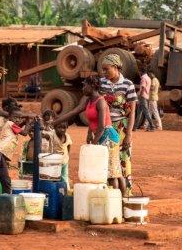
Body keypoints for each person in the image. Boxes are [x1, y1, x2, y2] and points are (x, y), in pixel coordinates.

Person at [54, 76, 124, 194]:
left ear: (92, 86)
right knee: (109, 170)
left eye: (84, 85)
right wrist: (54, 122)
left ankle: (118, 200)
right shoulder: (88, 100)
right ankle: (117, 200)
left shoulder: (100, 102)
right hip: (100, 135)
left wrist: (94, 145)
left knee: (112, 173)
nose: (82, 88)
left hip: (108, 137)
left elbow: (102, 126)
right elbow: (74, 112)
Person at [99, 53, 138, 192]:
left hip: (122, 127)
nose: (104, 72)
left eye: (106, 69)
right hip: (105, 127)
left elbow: (132, 111)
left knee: (124, 159)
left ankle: (126, 194)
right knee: (106, 160)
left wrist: (129, 135)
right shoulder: (102, 83)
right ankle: (109, 194)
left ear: (116, 67)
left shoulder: (128, 84)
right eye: (103, 69)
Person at [43, 119, 73, 188]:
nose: (62, 130)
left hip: (64, 161)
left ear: (67, 127)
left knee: (64, 177)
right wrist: (44, 127)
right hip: (54, 162)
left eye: (64, 128)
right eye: (59, 127)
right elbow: (44, 135)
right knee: (54, 177)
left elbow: (68, 146)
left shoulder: (67, 136)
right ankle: (55, 190)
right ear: (54, 128)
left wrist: (67, 156)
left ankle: (66, 190)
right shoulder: (52, 134)